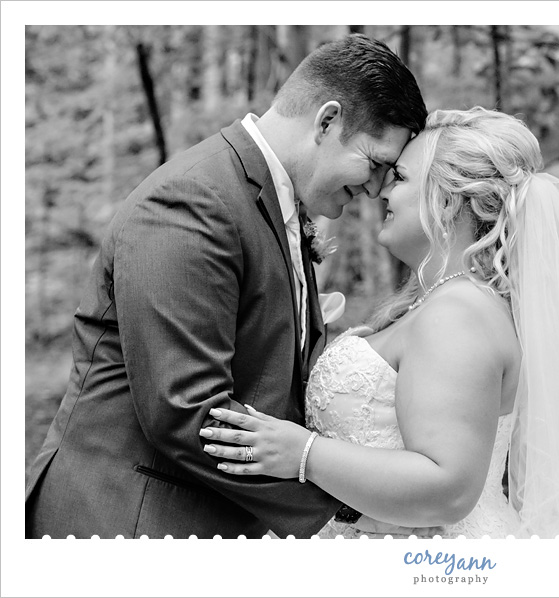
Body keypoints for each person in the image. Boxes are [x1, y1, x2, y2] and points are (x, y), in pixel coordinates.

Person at [25, 34, 427, 539]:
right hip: (128, 522)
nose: (375, 189)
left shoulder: (273, 204)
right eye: (374, 163)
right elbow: (187, 409)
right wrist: (350, 509)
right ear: (327, 121)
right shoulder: (193, 200)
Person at [202, 107, 559, 539]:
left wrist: (303, 453)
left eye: (400, 177)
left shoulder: (458, 314)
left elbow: (447, 488)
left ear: (447, 201)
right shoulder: (446, 305)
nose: (381, 189)